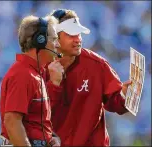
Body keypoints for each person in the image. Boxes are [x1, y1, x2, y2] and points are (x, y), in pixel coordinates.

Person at [46, 9, 132, 146]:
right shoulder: (39, 67)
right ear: (54, 38)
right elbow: (36, 117)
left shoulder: (97, 65)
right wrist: (54, 85)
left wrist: (125, 95)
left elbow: (116, 104)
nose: (78, 40)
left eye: (78, 34)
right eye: (71, 35)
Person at [0, 14, 64, 146]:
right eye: (54, 39)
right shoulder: (22, 75)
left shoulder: (36, 73)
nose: (58, 44)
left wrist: (50, 137)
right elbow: (12, 122)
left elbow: (35, 120)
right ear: (40, 40)